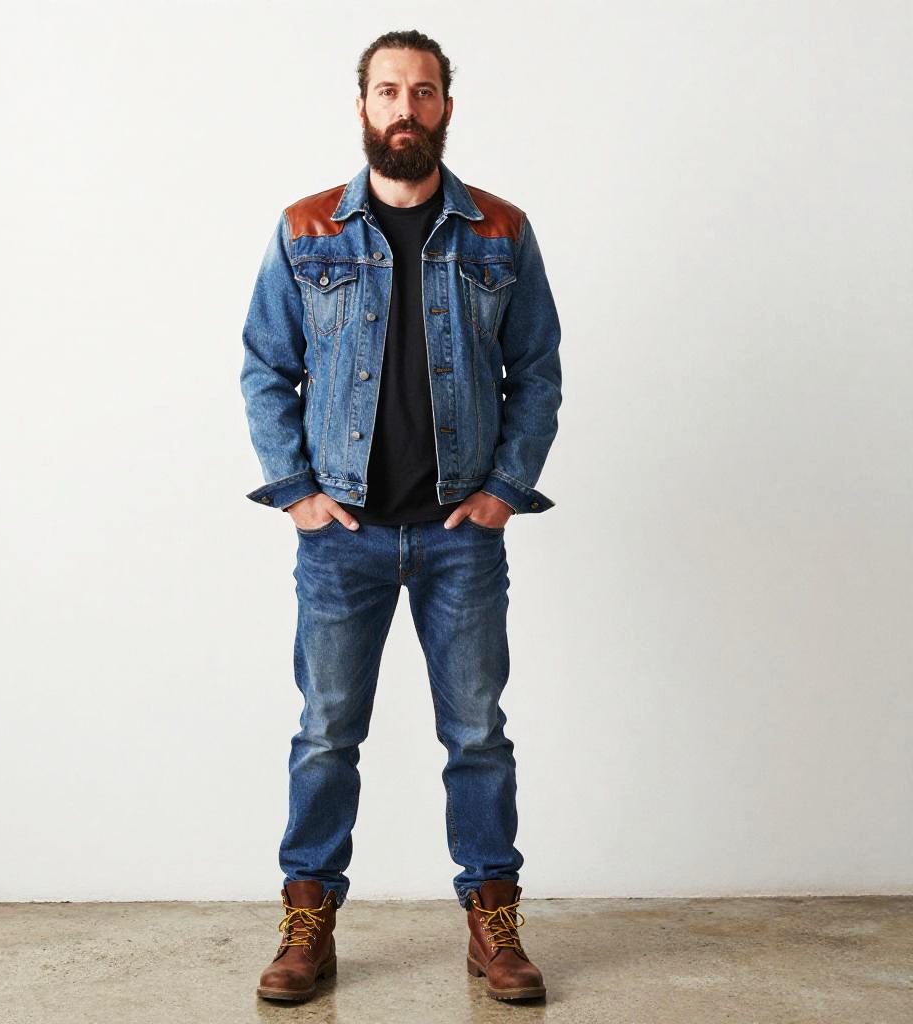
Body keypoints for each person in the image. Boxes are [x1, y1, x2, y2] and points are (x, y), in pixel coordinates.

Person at [240, 29, 561, 1004]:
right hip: (343, 538)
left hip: (461, 537)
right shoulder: (306, 228)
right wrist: (297, 491)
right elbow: (264, 366)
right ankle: (308, 922)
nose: (406, 108)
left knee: (476, 735)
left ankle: (491, 923)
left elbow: (537, 369)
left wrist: (502, 489)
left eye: (424, 91)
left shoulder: (500, 228)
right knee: (327, 732)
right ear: (362, 107)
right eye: (388, 91)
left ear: (446, 109)